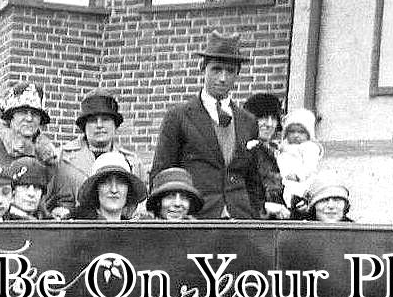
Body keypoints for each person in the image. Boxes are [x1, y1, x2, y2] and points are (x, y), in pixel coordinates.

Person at [150, 31, 265, 219]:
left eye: (229, 71)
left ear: (237, 74)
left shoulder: (248, 121)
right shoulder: (179, 116)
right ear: (203, 68)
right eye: (216, 69)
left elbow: (253, 179)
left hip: (240, 218)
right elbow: (161, 173)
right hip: (196, 218)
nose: (222, 77)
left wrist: (254, 213)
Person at [0, 81, 80, 218]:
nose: (29, 118)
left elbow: (65, 199)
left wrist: (56, 214)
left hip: (41, 233)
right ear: (11, 117)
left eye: (35, 114)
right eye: (23, 112)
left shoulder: (49, 157)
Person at [59, 89, 149, 189]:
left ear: (115, 125)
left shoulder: (132, 163)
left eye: (105, 120)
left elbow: (140, 201)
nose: (99, 125)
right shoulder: (62, 158)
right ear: (84, 126)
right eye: (93, 120)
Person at [73, 152, 148, 221]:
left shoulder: (137, 232)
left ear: (128, 190)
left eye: (121, 182)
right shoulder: (76, 229)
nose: (114, 190)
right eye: (106, 182)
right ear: (96, 189)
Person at [276, 108, 323, 208]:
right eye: (292, 132)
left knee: (295, 197)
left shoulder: (309, 147)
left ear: (308, 133)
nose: (296, 135)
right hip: (283, 180)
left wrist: (298, 175)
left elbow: (310, 166)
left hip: (300, 181)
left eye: (301, 132)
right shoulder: (283, 147)